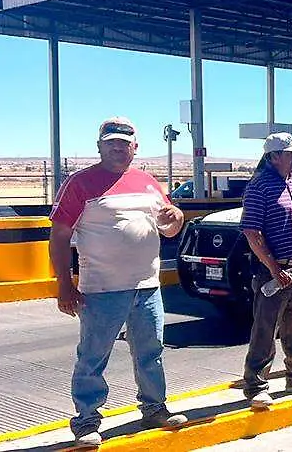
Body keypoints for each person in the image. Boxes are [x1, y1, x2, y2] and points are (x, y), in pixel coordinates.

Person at [48, 118, 188, 448]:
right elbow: (59, 236)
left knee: (150, 353)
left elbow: (168, 226)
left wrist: (177, 218)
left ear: (135, 148)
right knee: (93, 356)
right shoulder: (79, 184)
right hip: (101, 290)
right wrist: (64, 284)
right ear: (99, 146)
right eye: (110, 142)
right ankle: (86, 421)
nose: (117, 147)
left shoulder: (149, 182)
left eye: (124, 143)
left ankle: (154, 408)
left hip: (147, 286)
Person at [240, 133, 292, 410]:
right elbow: (252, 233)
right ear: (273, 157)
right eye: (290, 153)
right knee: (265, 330)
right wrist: (274, 269)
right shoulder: (259, 187)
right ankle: (255, 385)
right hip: (273, 274)